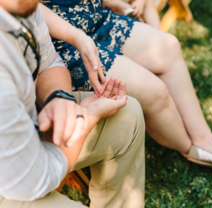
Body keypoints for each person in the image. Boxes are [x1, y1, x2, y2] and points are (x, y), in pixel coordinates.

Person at [41, 1, 212, 173]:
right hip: (62, 40)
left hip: (98, 17)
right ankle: (190, 149)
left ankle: (205, 139)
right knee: (153, 91)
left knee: (169, 46)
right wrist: (76, 36)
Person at [0, 1, 145, 208]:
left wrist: (60, 100)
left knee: (128, 114)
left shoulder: (20, 5)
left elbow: (48, 62)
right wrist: (85, 118)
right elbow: (34, 179)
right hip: (14, 180)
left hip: (27, 126)